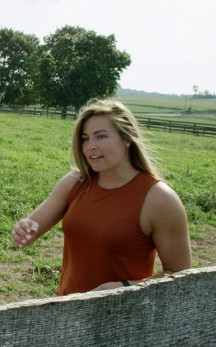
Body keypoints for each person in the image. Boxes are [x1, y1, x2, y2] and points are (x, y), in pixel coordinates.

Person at [11, 99, 192, 295]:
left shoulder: (160, 199)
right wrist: (23, 229)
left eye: (101, 136)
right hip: (67, 311)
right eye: (85, 138)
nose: (90, 146)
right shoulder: (75, 182)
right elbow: (30, 230)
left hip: (127, 317)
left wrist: (125, 287)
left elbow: (181, 278)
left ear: (127, 139)